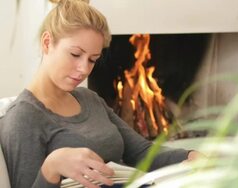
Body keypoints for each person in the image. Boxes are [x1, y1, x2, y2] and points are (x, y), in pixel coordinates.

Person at [0, 0, 203, 188]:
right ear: (47, 43)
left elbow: (142, 153)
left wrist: (192, 155)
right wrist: (52, 167)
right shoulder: (24, 116)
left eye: (92, 59)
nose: (84, 69)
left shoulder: (90, 99)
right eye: (75, 54)